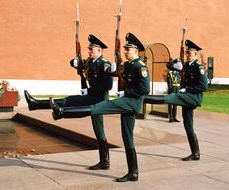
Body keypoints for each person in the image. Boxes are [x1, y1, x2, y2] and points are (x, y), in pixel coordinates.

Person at [50, 33, 150, 182]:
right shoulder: (128, 65)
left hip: (131, 102)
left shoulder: (140, 67)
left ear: (135, 51)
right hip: (126, 101)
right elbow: (114, 74)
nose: (125, 52)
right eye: (125, 49)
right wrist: (113, 70)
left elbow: (145, 89)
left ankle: (63, 112)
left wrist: (126, 92)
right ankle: (133, 172)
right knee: (127, 137)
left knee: (100, 106)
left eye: (127, 50)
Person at [24, 34, 115, 170]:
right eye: (89, 49)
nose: (89, 51)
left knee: (74, 103)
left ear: (99, 51)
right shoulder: (90, 62)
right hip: (91, 97)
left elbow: (108, 86)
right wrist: (74, 62)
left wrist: (88, 91)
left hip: (99, 100)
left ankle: (37, 105)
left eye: (92, 50)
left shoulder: (105, 64)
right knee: (97, 129)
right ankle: (36, 104)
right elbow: (77, 64)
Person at [144, 40, 208, 161]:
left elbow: (204, 86)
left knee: (169, 98)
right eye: (187, 53)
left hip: (193, 97)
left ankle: (142, 98)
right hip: (187, 98)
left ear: (195, 54)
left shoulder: (198, 67)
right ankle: (196, 153)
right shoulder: (187, 65)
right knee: (188, 126)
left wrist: (187, 89)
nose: (187, 55)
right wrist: (175, 65)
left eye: (190, 53)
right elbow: (169, 66)